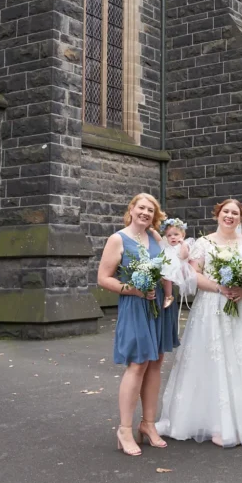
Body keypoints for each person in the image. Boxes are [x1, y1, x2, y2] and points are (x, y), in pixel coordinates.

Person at [156, 199, 242, 447]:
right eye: (226, 212)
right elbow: (193, 274)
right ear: (218, 214)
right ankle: (216, 423)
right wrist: (220, 288)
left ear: (240, 218)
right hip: (211, 307)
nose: (230, 216)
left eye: (235, 213)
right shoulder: (203, 243)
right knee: (212, 362)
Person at [96, 193, 173, 457]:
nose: (145, 213)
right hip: (135, 305)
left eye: (150, 210)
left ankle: (148, 424)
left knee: (156, 361)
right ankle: (125, 429)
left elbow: (165, 269)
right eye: (141, 208)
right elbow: (103, 278)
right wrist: (134, 289)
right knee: (138, 363)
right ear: (131, 209)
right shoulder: (118, 239)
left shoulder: (155, 237)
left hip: (158, 304)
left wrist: (169, 294)